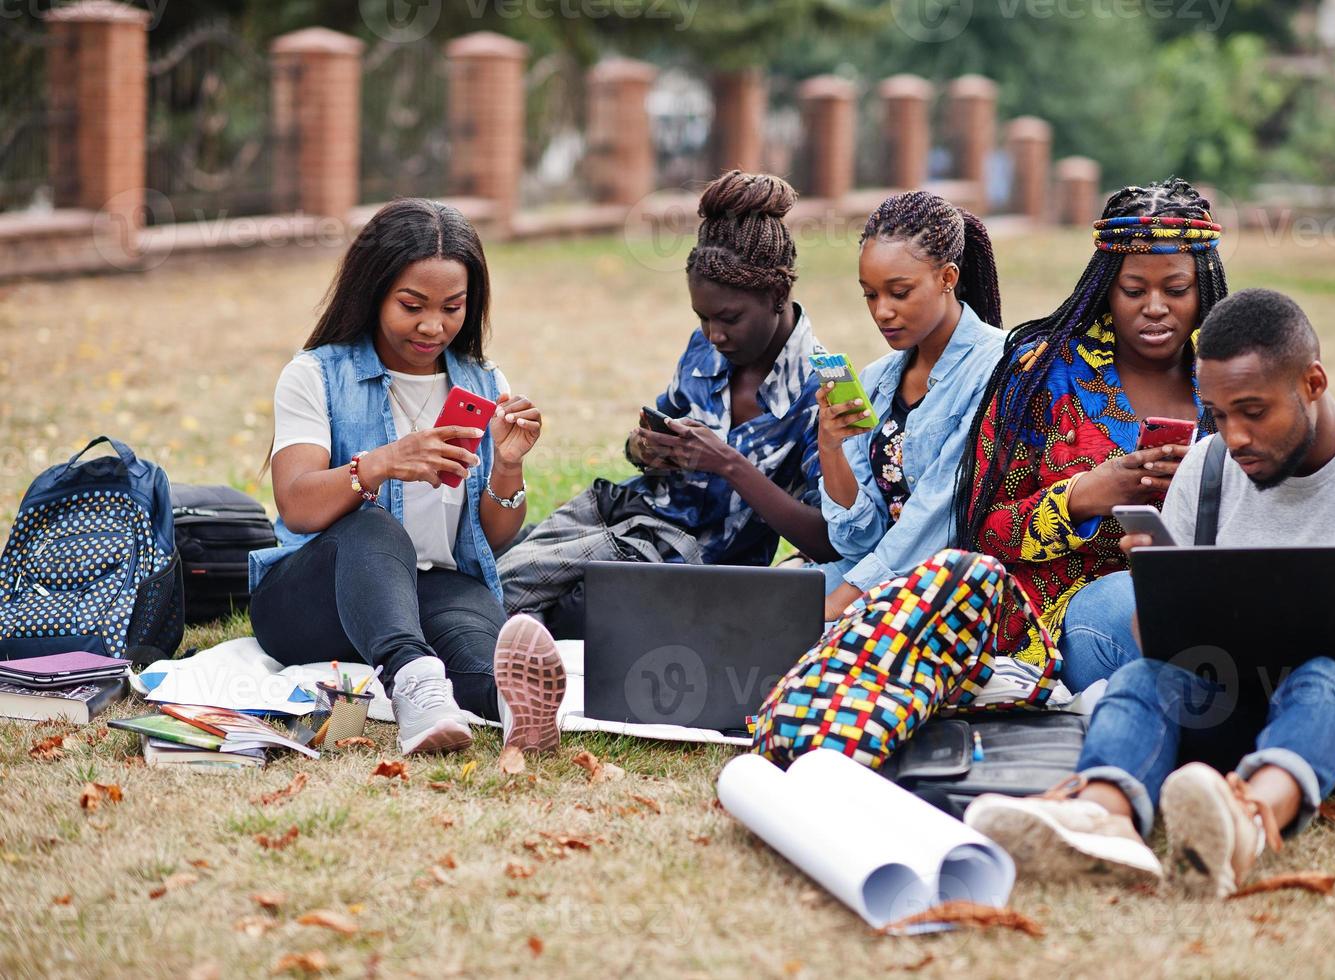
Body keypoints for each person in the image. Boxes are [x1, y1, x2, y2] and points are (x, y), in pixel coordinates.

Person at [964, 288, 1335, 897]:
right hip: (1237, 706)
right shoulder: (1207, 470)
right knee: (1139, 680)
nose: (1234, 437)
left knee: (1323, 676)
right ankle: (1101, 818)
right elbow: (1158, 649)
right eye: (1219, 413)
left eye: (1254, 411)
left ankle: (1248, 820)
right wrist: (1161, 584)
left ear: (1312, 382)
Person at [751, 178, 1229, 768]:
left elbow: (1276, 502)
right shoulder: (1048, 377)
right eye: (1134, 289)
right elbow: (985, 530)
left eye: (1175, 289)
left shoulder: (1232, 384)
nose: (1154, 307)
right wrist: (1082, 496)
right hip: (1063, 611)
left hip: (1200, 595)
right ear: (1108, 288)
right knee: (762, 624)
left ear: (1202, 288)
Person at [248, 198, 564, 757]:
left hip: (434, 587)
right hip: (313, 596)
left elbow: (489, 539)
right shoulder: (317, 374)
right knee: (373, 528)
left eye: (453, 306)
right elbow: (296, 505)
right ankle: (413, 683)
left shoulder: (485, 384)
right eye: (411, 305)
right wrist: (382, 462)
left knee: (477, 661)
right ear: (374, 294)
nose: (433, 325)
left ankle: (517, 713)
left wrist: (509, 466)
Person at [498, 171, 836, 635]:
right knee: (487, 566)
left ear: (777, 295)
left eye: (729, 319)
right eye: (703, 317)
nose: (715, 334)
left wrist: (728, 464)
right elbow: (649, 446)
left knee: (549, 604)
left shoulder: (823, 391)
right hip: (621, 516)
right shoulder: (706, 350)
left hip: (686, 565)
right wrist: (645, 449)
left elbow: (826, 538)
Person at [815, 190, 1006, 621]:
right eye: (869, 295)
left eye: (899, 292)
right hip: (872, 574)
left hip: (947, 589)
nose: (882, 312)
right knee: (756, 613)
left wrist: (840, 604)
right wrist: (830, 449)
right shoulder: (877, 379)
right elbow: (857, 540)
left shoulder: (996, 367)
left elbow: (938, 517)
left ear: (947, 277)